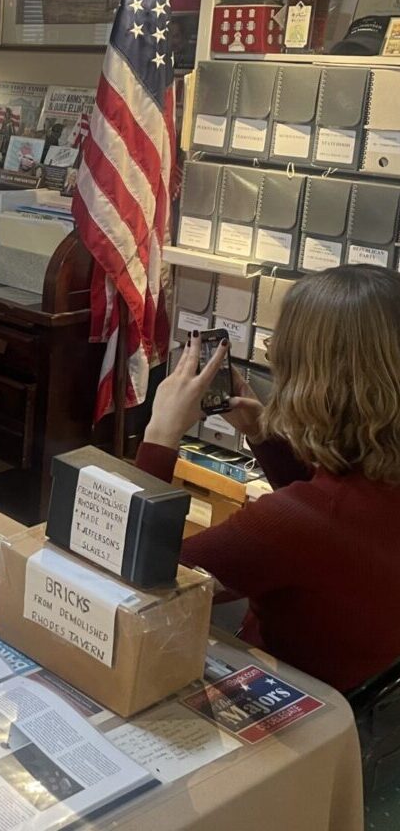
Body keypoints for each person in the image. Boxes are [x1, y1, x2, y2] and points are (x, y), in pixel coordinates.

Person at [137, 266, 400, 692]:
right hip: (358, 701)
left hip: (288, 696)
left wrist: (160, 436)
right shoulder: (360, 493)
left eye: (278, 347)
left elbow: (138, 582)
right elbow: (334, 520)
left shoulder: (297, 523)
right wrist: (264, 436)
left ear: (310, 374)